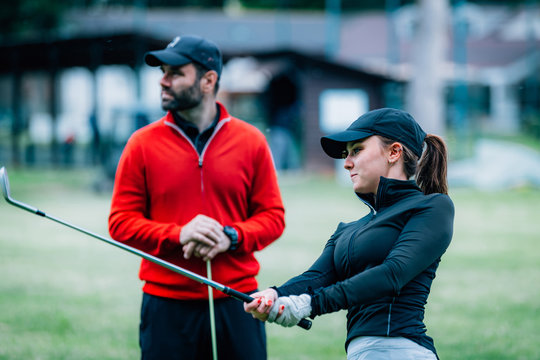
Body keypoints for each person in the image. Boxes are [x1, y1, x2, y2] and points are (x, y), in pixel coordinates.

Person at [109, 35, 285, 360]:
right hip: (165, 307)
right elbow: (120, 223)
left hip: (237, 301)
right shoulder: (141, 144)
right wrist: (179, 233)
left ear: (208, 80)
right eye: (163, 71)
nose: (163, 81)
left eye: (175, 73)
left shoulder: (252, 141)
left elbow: (273, 217)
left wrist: (231, 237)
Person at [245, 108, 455, 360]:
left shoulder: (432, 207)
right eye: (346, 154)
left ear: (394, 152)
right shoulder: (347, 230)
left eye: (357, 150)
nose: (346, 163)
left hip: (401, 350)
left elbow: (393, 274)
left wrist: (309, 304)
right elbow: (316, 277)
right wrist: (275, 295)